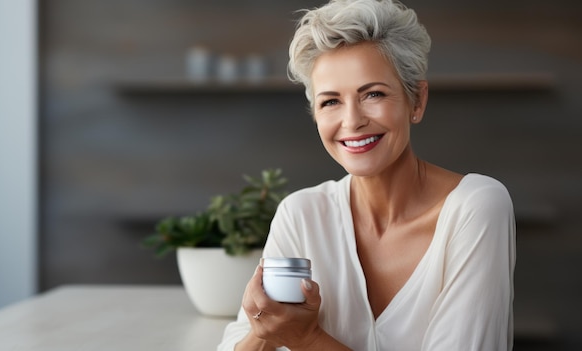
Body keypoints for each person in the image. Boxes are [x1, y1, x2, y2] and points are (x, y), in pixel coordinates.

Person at [218, 0, 516, 350]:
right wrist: (262, 328)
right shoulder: (301, 214)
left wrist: (307, 338)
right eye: (330, 101)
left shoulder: (476, 207)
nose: (352, 121)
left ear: (416, 101)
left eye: (372, 94)